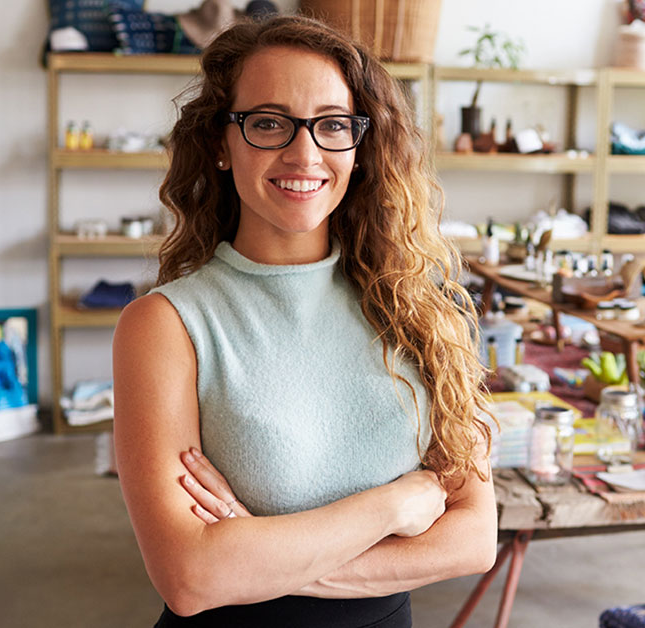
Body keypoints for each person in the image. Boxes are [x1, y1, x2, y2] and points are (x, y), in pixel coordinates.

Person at [112, 15, 496, 627]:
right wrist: (398, 503)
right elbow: (189, 578)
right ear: (219, 141)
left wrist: (256, 554)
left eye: (333, 125)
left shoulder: (421, 307)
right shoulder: (166, 326)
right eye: (268, 122)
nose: (305, 152)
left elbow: (473, 539)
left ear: (360, 145)